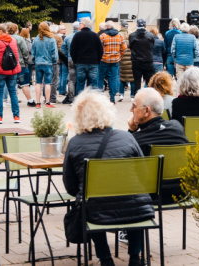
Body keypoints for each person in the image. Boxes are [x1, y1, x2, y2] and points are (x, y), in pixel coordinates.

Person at [61, 90, 152, 266]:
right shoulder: (127, 137)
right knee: (134, 199)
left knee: (90, 202)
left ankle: (106, 259)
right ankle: (135, 258)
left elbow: (71, 187)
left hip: (97, 213)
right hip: (136, 211)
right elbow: (145, 175)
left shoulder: (75, 144)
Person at [127, 88, 188, 156]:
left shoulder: (136, 140)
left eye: (134, 106)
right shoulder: (177, 128)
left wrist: (131, 131)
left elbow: (124, 151)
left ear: (147, 111)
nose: (131, 110)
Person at [0, 24, 22, 124]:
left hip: (0, 71)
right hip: (12, 70)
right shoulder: (13, 41)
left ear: (0, 31)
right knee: (13, 93)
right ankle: (16, 116)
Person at [70, 19, 104, 93]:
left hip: (80, 62)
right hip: (93, 62)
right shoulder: (95, 35)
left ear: (84, 25)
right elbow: (100, 50)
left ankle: (80, 101)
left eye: (81, 23)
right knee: (94, 84)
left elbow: (72, 50)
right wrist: (97, 61)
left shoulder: (77, 35)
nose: (79, 24)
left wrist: (75, 60)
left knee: (80, 84)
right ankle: (93, 101)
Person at [32, 22, 60, 108]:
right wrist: (54, 61)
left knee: (38, 83)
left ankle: (38, 103)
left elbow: (33, 53)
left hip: (38, 63)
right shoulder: (51, 40)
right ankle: (48, 102)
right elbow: (54, 54)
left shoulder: (36, 40)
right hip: (48, 63)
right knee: (48, 83)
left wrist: (35, 60)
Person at [98, 21, 125, 103]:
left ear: (106, 26)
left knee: (101, 77)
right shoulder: (119, 35)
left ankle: (100, 96)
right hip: (115, 60)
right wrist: (119, 56)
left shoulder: (102, 36)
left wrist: (100, 56)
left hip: (104, 60)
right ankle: (112, 97)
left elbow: (99, 48)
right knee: (113, 77)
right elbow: (124, 48)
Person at [128, 20, 156, 99]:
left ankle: (137, 97)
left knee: (137, 81)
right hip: (148, 61)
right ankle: (150, 97)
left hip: (136, 61)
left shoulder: (132, 36)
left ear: (136, 25)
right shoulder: (151, 35)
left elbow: (131, 47)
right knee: (149, 81)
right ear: (145, 25)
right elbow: (152, 45)